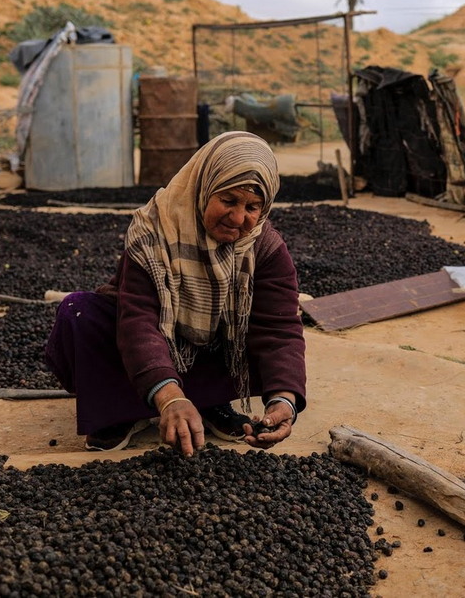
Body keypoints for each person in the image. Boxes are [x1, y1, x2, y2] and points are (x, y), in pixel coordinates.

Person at [44, 131, 306, 456]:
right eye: (227, 201)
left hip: (209, 348)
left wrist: (285, 400)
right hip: (147, 349)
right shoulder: (155, 230)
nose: (239, 218)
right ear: (204, 187)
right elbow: (139, 322)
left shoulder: (264, 248)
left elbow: (279, 329)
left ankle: (209, 403)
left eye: (252, 206)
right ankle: (121, 411)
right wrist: (170, 397)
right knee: (78, 312)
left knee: (257, 327)